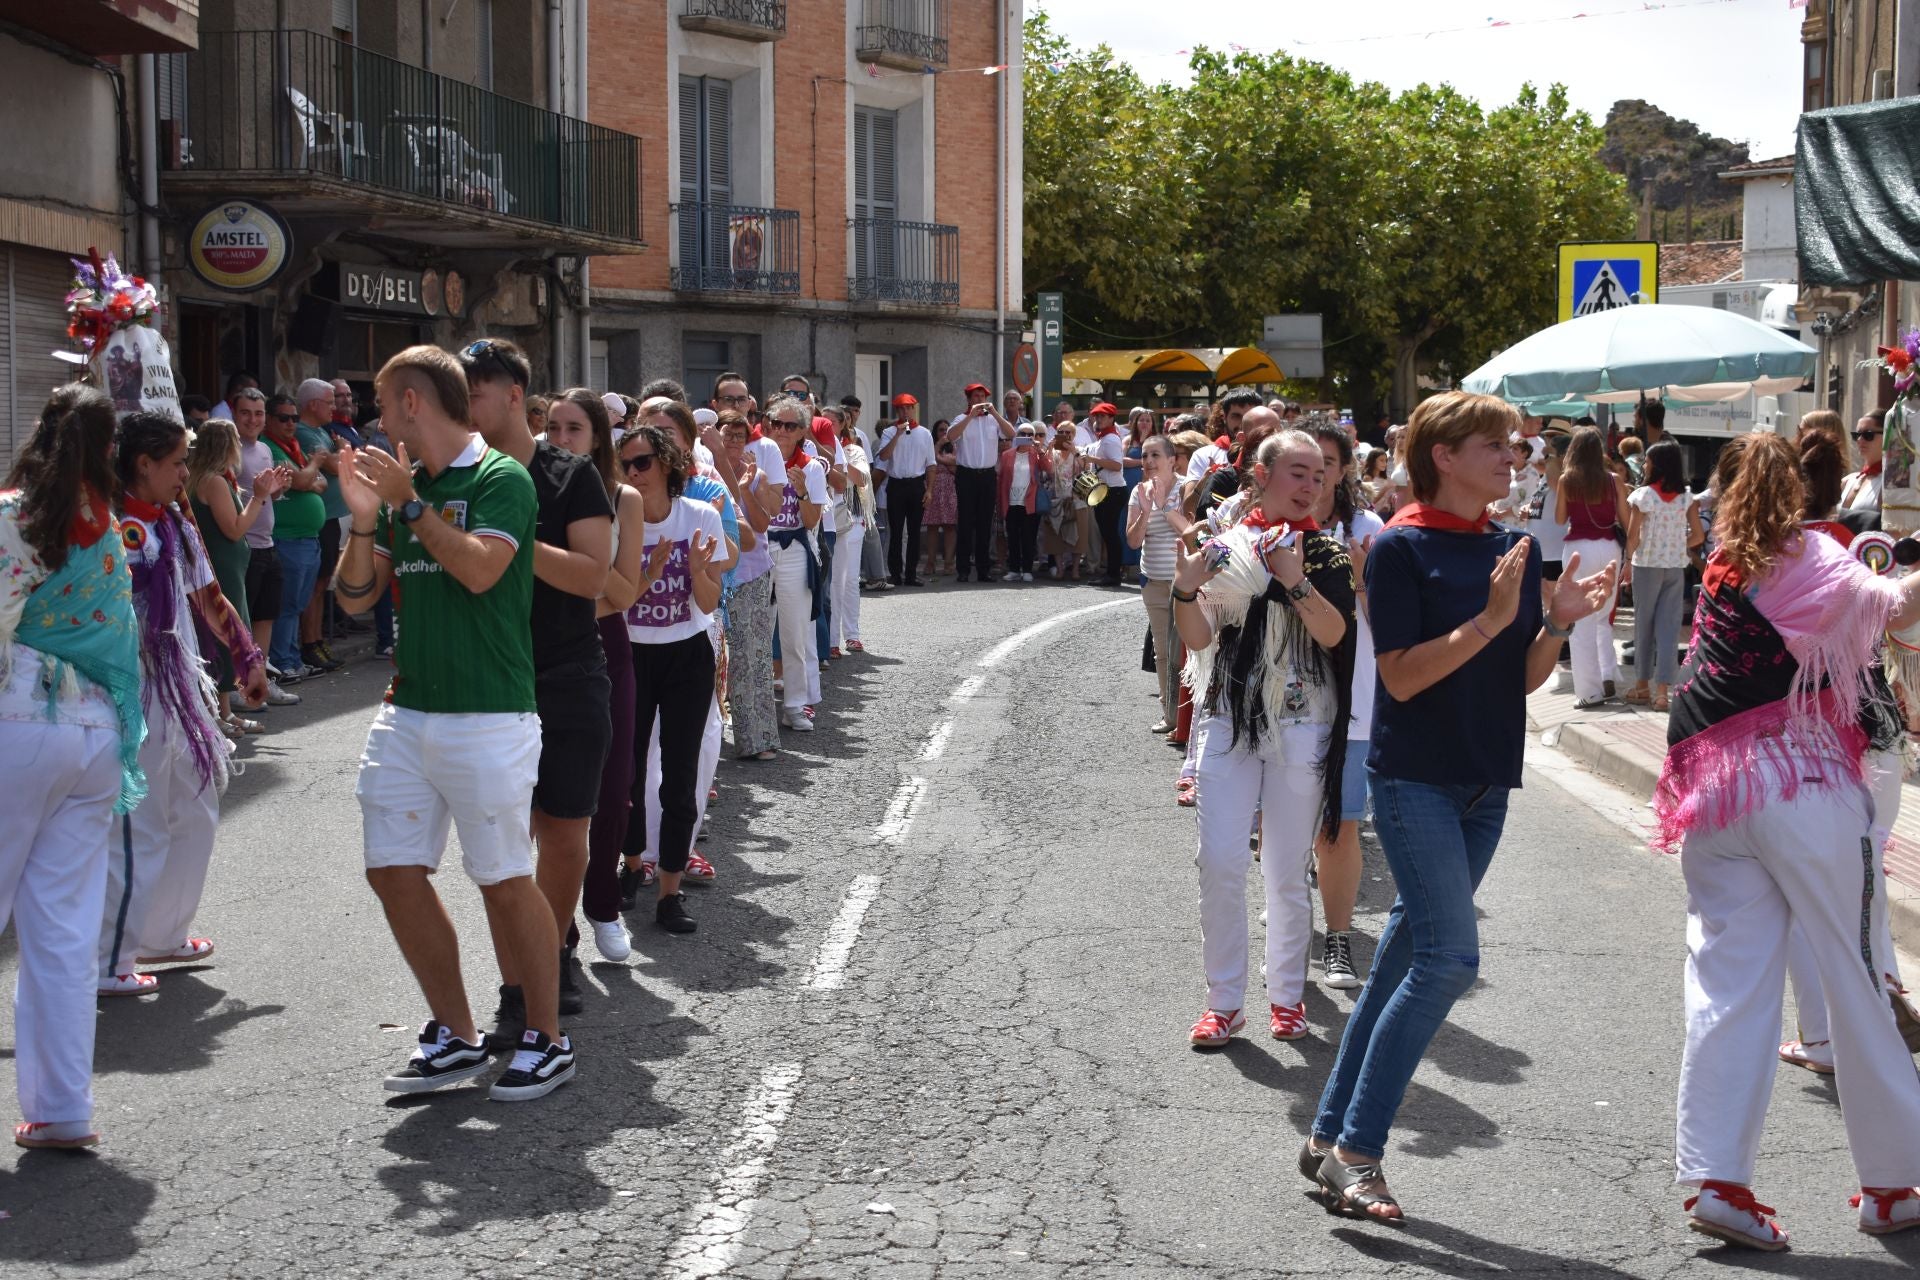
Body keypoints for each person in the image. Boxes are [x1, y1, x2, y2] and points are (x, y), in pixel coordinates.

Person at [1306, 391, 1616, 1222]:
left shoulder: (1515, 545)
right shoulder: (1401, 548)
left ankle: (1329, 1129)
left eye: (1513, 448)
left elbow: (1518, 683)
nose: (1512, 459)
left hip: (1487, 785)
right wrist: (1488, 619)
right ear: (1443, 455)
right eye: (1494, 446)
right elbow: (1402, 676)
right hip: (1416, 783)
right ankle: (1357, 1153)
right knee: (1449, 961)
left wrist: (1551, 624)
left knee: (1411, 958)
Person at [1655, 431, 1920, 1248]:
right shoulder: (1817, 559)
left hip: (1715, 795)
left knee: (1727, 984)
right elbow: (1897, 611)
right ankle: (1895, 1183)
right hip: (1802, 788)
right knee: (1855, 975)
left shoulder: (1722, 564)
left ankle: (1716, 1179)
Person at [332, 344, 574, 1102]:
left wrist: (408, 504)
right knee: (392, 870)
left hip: (490, 713)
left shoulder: (500, 477)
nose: (376, 420)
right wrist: (367, 523)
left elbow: (478, 569)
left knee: (504, 878)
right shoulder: (415, 487)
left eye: (381, 403)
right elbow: (353, 601)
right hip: (408, 711)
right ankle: (457, 1036)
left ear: (411, 403)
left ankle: (547, 1037)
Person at [1172, 429, 1356, 1049]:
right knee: (1219, 861)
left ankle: (1285, 998)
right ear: (1261, 475)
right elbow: (1198, 641)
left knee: (1284, 869)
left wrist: (1293, 579)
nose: (1310, 486)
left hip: (1304, 719)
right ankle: (1224, 1002)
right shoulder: (1222, 550)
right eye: (1297, 473)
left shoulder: (1326, 555)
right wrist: (1184, 589)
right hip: (1227, 715)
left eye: (1318, 476)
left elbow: (1334, 637)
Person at [0, 385, 144, 1149]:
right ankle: (62, 1110)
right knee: (61, 934)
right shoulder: (106, 528)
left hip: (18, 719)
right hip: (92, 731)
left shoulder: (15, 515)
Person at [461, 338, 614, 1031]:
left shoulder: (569, 476)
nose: (460, 407)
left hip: (568, 673)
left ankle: (549, 952)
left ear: (513, 394)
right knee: (500, 845)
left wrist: (516, 536)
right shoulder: (457, 476)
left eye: (474, 392)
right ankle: (519, 984)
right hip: (490, 682)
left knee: (563, 836)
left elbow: (593, 577)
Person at [101, 411, 265, 997]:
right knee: (137, 824)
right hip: (125, 693)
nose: (184, 475)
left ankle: (162, 933)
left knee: (195, 806)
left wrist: (246, 656)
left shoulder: (174, 522)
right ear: (142, 464)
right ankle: (110, 958)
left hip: (177, 691)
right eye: (176, 464)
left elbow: (209, 596)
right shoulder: (100, 521)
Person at [542, 388, 647, 965]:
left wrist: (583, 569)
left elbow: (625, 592)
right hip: (544, 646)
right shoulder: (526, 489)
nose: (560, 440)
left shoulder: (621, 496)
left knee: (613, 790)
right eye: (552, 427)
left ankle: (603, 905)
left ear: (596, 437)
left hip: (605, 644)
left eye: (573, 429)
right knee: (550, 800)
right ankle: (559, 933)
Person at [613, 422, 726, 935]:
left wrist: (700, 569)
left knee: (680, 777)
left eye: (642, 464)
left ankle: (670, 891)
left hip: (686, 655)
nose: (632, 474)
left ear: (667, 467)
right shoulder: (615, 520)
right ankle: (632, 864)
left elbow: (706, 603)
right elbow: (614, 603)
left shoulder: (699, 515)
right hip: (629, 654)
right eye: (625, 465)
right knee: (626, 774)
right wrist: (649, 576)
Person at [1308, 419, 1384, 991]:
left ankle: (1338, 941)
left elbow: (1390, 628)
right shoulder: (1264, 528)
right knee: (1281, 830)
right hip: (1280, 703)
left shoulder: (1368, 529)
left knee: (1339, 823)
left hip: (1352, 700)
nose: (1314, 476)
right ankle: (1289, 931)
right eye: (1301, 465)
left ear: (1343, 470)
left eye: (1326, 465)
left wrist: (1360, 579)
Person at [186, 417, 283, 735]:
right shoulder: (213, 481)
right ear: (226, 445)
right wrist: (259, 496)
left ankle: (225, 712)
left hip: (227, 567)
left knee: (227, 635)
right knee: (223, 635)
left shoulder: (212, 478)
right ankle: (217, 714)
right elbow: (235, 528)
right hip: (221, 568)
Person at [229, 389, 299, 709]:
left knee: (266, 618)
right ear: (234, 413)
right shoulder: (229, 451)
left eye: (258, 413)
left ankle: (262, 681)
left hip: (269, 545)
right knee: (241, 620)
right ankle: (237, 685)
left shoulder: (265, 450)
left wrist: (279, 488)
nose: (252, 420)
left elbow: (268, 496)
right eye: (246, 413)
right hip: (243, 547)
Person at [764, 396, 829, 732]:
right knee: (756, 632)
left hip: (793, 548)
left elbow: (811, 520)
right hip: (759, 548)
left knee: (794, 632)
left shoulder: (812, 466)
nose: (782, 431)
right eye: (776, 423)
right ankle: (755, 709)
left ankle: (795, 704)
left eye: (790, 426)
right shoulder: (756, 459)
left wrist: (802, 493)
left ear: (803, 431)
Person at [1622, 439, 1702, 711]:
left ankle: (1642, 686)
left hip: (1646, 566)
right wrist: (1679, 545)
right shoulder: (1686, 497)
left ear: (1656, 464)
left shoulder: (1643, 496)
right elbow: (1699, 536)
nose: (1644, 464)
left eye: (1647, 460)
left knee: (1644, 625)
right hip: (1675, 568)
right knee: (1669, 628)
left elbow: (1633, 536)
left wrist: (1627, 561)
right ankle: (1662, 693)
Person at [720, 410, 782, 757]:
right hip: (710, 572)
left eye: (740, 435)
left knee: (752, 657)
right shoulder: (702, 471)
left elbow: (761, 525)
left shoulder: (754, 475)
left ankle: (758, 741)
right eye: (727, 434)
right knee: (714, 660)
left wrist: (745, 487)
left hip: (751, 571)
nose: (733, 440)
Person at [1556, 425, 1627, 709]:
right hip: (1610, 547)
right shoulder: (1613, 480)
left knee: (1581, 619)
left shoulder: (1566, 480)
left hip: (1578, 550)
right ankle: (1608, 674)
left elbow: (1560, 518)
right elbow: (1624, 518)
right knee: (1603, 615)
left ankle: (1589, 691)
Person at [261, 393, 328, 682]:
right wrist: (314, 464)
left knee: (297, 604)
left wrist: (307, 476)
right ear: (270, 420)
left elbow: (319, 484)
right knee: (287, 605)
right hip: (287, 539)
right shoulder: (269, 448)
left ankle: (292, 659)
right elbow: (303, 480)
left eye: (294, 418)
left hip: (308, 538)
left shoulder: (292, 447)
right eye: (283, 418)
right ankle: (282, 662)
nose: (291, 423)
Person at [1126, 434, 1187, 732]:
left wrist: (1164, 505)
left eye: (1155, 456)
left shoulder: (1187, 486)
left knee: (1188, 648)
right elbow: (1134, 540)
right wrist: (1147, 510)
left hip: (1185, 582)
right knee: (1162, 651)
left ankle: (1190, 717)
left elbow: (1190, 533)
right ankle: (1170, 713)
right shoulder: (1138, 492)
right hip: (1152, 580)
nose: (1149, 462)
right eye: (1145, 456)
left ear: (1172, 460)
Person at [292, 378, 348, 673]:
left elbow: (341, 461)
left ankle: (317, 639)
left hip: (330, 518)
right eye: (329, 402)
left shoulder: (321, 432)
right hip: (321, 520)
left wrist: (340, 451)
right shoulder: (304, 432)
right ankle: (310, 642)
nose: (333, 407)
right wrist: (341, 452)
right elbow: (339, 465)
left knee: (323, 580)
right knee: (315, 584)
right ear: (313, 404)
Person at [950, 382, 1011, 582]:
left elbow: (1011, 434)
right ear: (969, 400)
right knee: (966, 523)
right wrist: (970, 416)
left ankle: (984, 569)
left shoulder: (993, 420)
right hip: (966, 475)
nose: (979, 400)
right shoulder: (961, 418)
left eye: (982, 397)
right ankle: (963, 569)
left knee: (985, 524)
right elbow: (951, 436)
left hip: (987, 476)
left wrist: (994, 413)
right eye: (975, 397)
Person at [878, 394, 933, 586]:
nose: (905, 412)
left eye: (909, 408)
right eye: (901, 409)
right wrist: (897, 435)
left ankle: (911, 573)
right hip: (896, 484)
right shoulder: (889, 432)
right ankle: (895, 573)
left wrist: (929, 490)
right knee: (896, 531)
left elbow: (931, 464)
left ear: (914, 409)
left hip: (917, 485)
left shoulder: (925, 433)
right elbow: (884, 457)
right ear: (897, 411)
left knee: (915, 532)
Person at [832, 411, 871, 653]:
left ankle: (852, 634)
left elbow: (861, 480)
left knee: (848, 580)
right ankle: (830, 640)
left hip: (853, 520)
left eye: (832, 422)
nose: (826, 426)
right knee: (832, 583)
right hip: (825, 521)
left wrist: (836, 455)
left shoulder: (853, 450)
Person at [1000, 421, 1053, 585]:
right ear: (1017, 436)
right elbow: (1001, 480)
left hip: (1029, 501)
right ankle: (1014, 569)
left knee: (1028, 537)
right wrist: (1001, 503)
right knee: (1013, 537)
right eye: (1023, 434)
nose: (1027, 437)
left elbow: (1049, 468)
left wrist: (1040, 450)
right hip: (1011, 501)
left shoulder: (1036, 453)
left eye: (1030, 434)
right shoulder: (1007, 454)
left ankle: (1028, 569)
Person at [1086, 403, 1129, 584]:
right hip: (1108, 489)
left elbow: (1117, 465)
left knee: (1110, 533)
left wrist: (1091, 459)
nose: (1099, 419)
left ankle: (1113, 574)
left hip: (1113, 490)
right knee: (1108, 533)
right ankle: (1111, 573)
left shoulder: (1110, 439)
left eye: (1103, 416)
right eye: (1097, 416)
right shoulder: (1105, 438)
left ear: (1111, 418)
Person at [921, 421, 958, 579]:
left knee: (950, 526)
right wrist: (937, 448)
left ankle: (949, 562)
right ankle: (930, 562)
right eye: (941, 430)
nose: (944, 433)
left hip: (950, 489)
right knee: (932, 527)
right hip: (933, 488)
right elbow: (928, 462)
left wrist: (939, 459)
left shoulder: (955, 446)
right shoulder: (931, 446)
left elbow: (956, 464)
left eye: (946, 430)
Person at [1842, 409, 1887, 513]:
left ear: (1888, 436)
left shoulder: (1892, 484)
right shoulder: (1847, 481)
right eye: (1857, 435)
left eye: (1868, 435)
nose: (1860, 440)